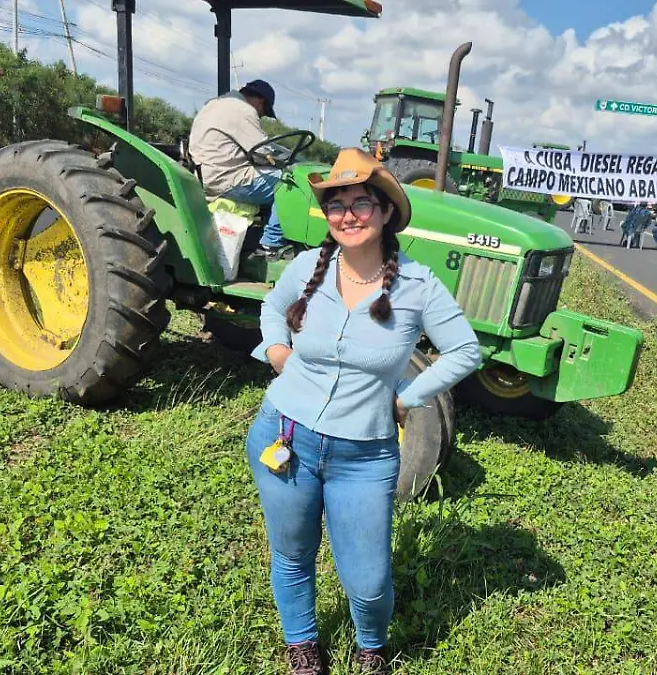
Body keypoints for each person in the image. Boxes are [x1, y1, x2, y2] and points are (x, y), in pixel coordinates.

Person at [245, 148, 483, 674]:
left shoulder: (418, 286)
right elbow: (270, 307)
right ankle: (302, 644)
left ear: (385, 212)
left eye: (360, 203)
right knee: (291, 552)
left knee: (370, 580)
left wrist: (406, 397)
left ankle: (370, 647)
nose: (347, 215)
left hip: (365, 454)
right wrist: (277, 351)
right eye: (336, 205)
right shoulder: (308, 265)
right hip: (285, 434)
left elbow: (466, 351)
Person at [188, 79, 289, 259]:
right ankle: (270, 244)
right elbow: (262, 151)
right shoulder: (244, 110)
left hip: (207, 175)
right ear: (260, 102)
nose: (260, 116)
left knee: (274, 183)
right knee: (289, 184)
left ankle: (256, 239)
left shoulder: (214, 104)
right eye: (263, 113)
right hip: (227, 178)